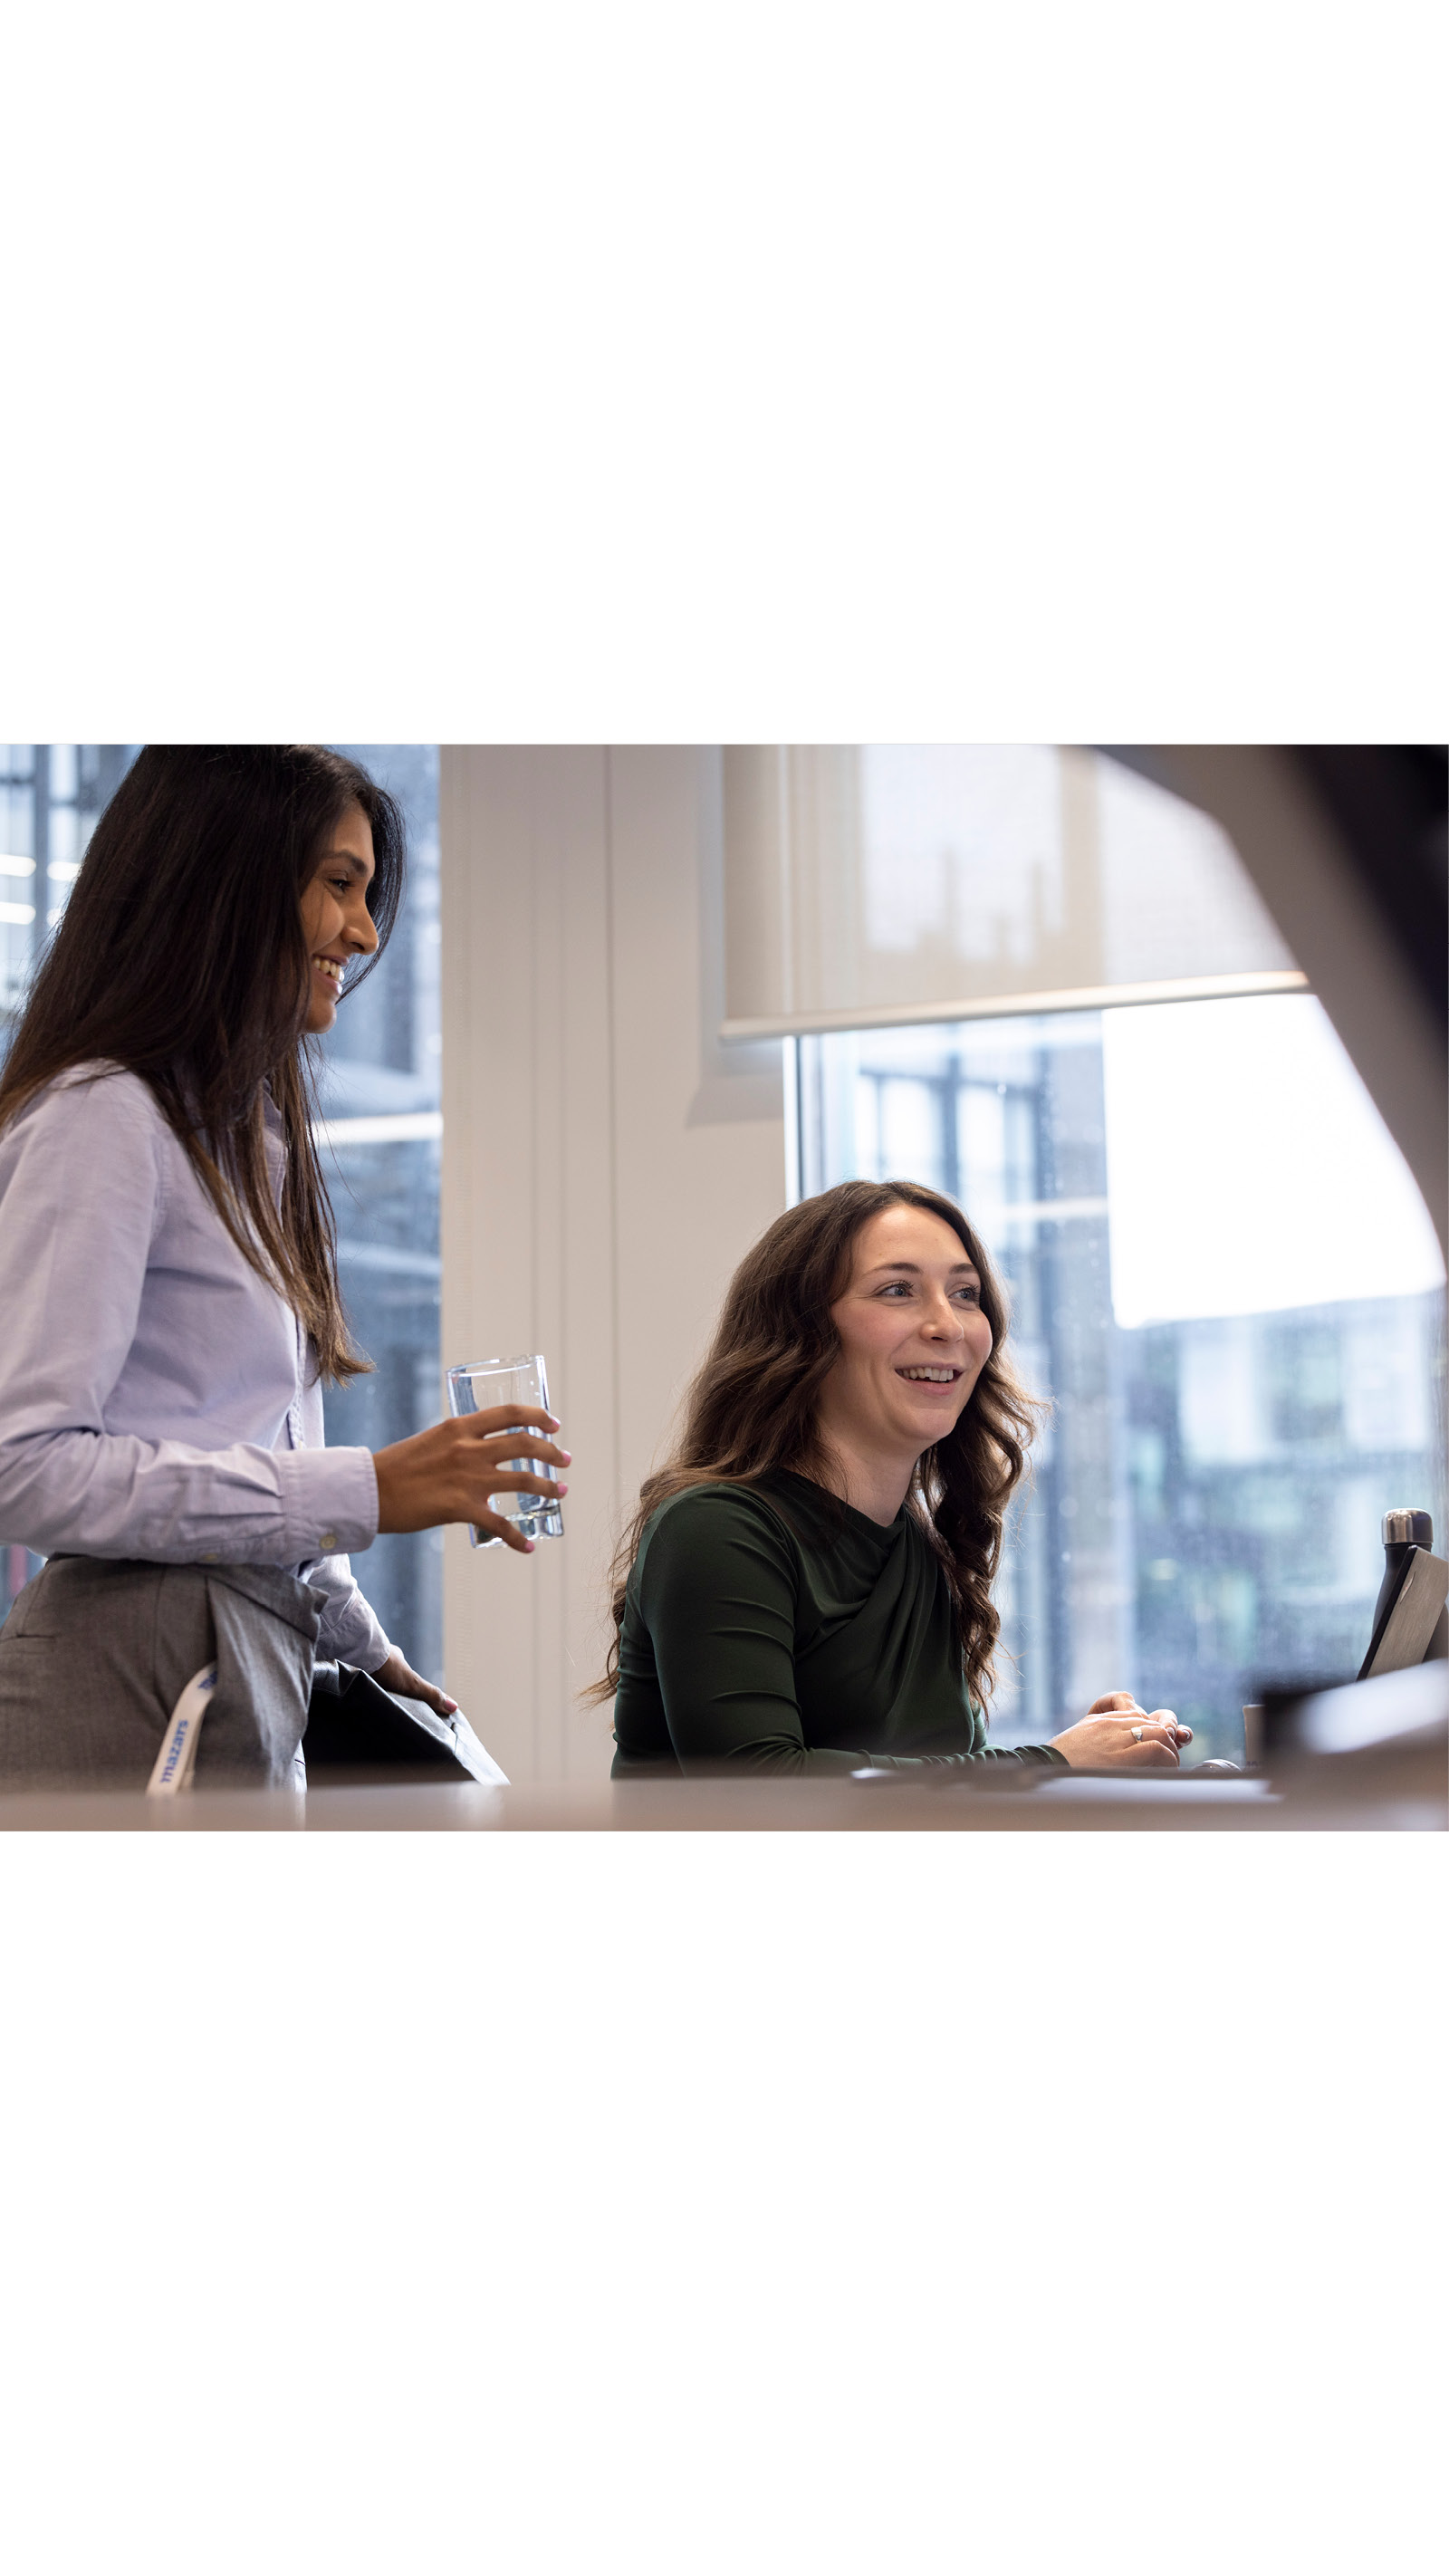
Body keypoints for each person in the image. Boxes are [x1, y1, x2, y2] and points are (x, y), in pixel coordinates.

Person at [0, 745, 570, 1785]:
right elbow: (26, 1466)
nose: (363, 931)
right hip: (124, 1676)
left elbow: (227, 1438)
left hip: (241, 1658)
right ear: (225, 885)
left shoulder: (245, 1142)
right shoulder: (101, 1117)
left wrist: (360, 1639)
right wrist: (368, 1486)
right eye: (338, 886)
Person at [602, 1178, 1189, 1775]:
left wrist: (1096, 1748)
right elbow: (758, 1786)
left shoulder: (919, 1549)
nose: (948, 1324)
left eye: (965, 1293)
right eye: (897, 1290)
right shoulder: (715, 1529)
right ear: (799, 1332)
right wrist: (1048, 1763)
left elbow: (941, 1780)